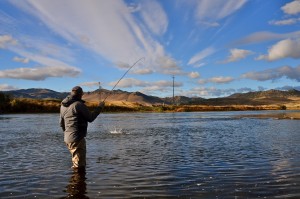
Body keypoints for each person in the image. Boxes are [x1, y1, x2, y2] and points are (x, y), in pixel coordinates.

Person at [60, 86, 104, 171]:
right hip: (77, 138)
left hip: (67, 138)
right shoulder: (78, 105)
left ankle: (74, 182)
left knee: (76, 161)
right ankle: (77, 183)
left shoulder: (63, 106)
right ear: (80, 94)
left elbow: (61, 123)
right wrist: (100, 107)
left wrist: (67, 134)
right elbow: (91, 118)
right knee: (79, 166)